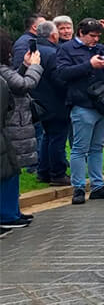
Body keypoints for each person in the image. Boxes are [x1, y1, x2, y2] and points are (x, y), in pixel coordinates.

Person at [56, 18, 104, 204]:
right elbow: (62, 73)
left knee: (97, 147)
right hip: (82, 105)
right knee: (79, 149)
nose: (95, 39)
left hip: (103, 104)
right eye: (92, 36)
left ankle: (98, 186)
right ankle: (78, 188)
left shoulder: (99, 48)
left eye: (98, 36)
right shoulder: (67, 49)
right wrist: (89, 65)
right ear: (81, 33)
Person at [0, 30, 43, 229]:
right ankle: (8, 214)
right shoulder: (2, 70)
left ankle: (13, 210)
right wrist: (34, 67)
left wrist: (25, 66)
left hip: (14, 126)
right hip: (11, 127)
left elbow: (14, 82)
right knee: (8, 171)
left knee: (13, 170)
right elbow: (24, 85)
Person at [32, 21, 70, 186]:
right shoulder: (54, 53)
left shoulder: (33, 50)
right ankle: (58, 173)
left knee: (47, 136)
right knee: (57, 138)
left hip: (39, 102)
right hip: (56, 102)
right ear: (53, 35)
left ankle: (43, 171)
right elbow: (59, 80)